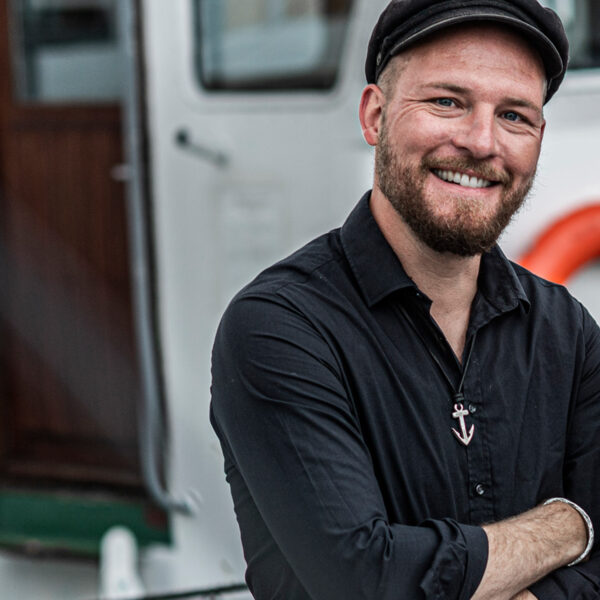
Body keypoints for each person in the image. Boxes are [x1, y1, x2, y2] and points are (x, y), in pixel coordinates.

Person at [210, 1, 600, 598]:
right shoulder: (279, 328)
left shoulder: (567, 332)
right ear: (374, 115)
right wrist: (568, 525)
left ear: (538, 138)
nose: (480, 142)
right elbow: (365, 579)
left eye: (515, 115)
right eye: (447, 101)